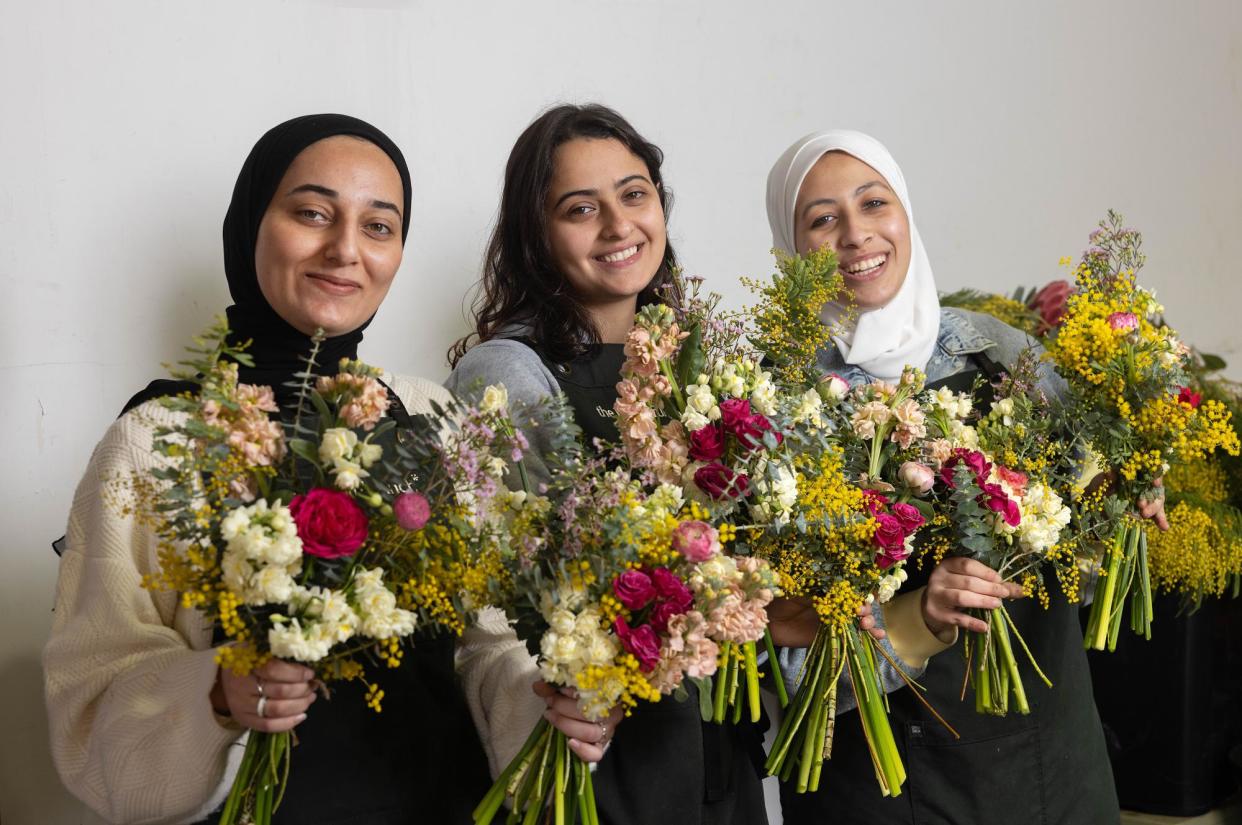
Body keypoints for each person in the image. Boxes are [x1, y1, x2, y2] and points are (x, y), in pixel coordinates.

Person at [43, 114, 492, 824]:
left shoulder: (435, 419)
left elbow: (488, 647)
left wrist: (557, 696)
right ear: (251, 222)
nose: (346, 249)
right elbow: (91, 696)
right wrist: (216, 692)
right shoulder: (156, 439)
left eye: (379, 226)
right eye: (312, 213)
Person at [766, 129, 1123, 824]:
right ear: (791, 245)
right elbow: (787, 665)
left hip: (1047, 764)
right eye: (822, 218)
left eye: (874, 202)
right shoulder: (781, 405)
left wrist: (1123, 502)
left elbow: (1088, 548)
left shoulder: (1000, 350)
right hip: (883, 782)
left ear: (905, 211)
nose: (856, 234)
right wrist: (916, 618)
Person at [448, 103, 773, 825]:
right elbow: (540, 590)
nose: (619, 225)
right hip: (594, 755)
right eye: (580, 208)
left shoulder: (707, 370)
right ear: (536, 233)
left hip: (717, 758)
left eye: (634, 194)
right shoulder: (506, 371)